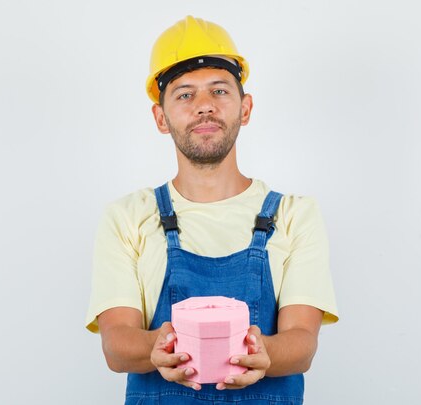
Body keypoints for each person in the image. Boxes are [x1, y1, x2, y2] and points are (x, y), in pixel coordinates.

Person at [85, 15, 339, 405]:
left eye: (219, 91)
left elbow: (302, 343)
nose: (204, 106)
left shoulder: (293, 214)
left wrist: (267, 355)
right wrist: (156, 345)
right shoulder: (128, 217)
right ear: (160, 118)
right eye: (185, 94)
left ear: (246, 108)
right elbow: (116, 346)